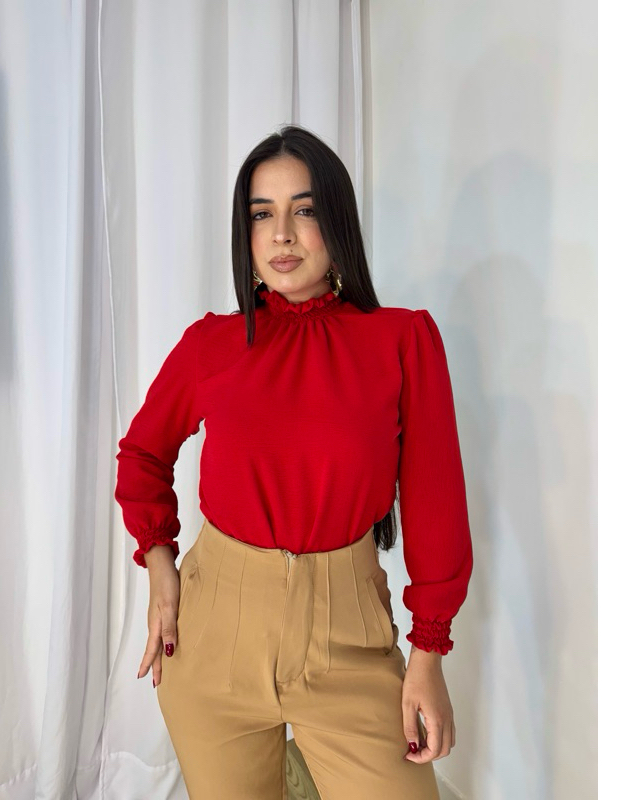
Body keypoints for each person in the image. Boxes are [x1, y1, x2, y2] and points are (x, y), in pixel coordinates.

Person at [114, 125, 474, 799]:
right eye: (262, 214)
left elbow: (436, 507)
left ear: (336, 222)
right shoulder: (212, 345)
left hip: (350, 643)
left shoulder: (401, 341)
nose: (281, 234)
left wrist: (428, 656)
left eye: (303, 210)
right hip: (212, 640)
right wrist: (161, 566)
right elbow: (142, 455)